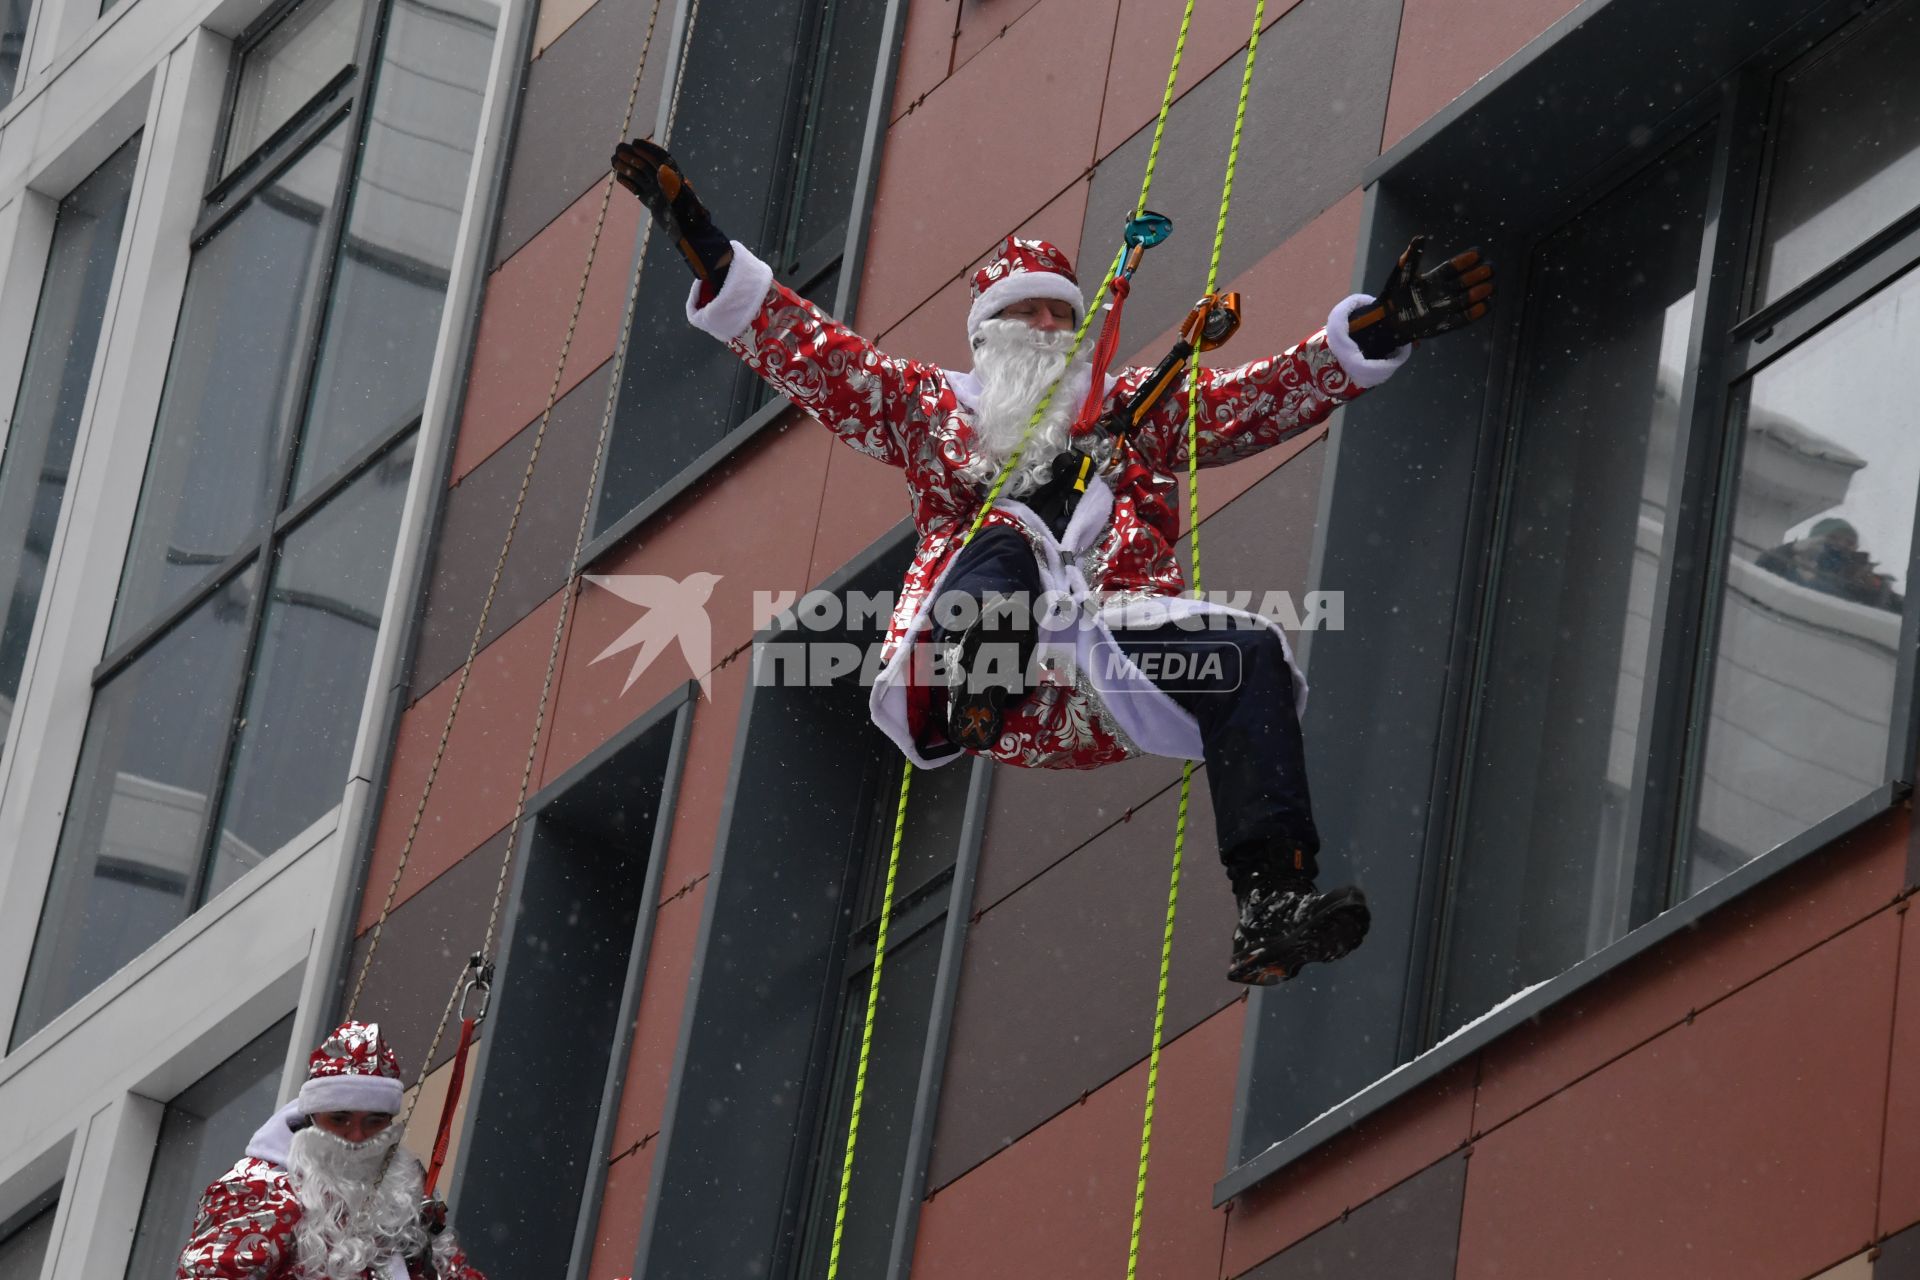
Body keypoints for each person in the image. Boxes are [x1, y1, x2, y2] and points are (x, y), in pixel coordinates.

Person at [611, 138, 1492, 983]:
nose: (1046, 325)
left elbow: (1250, 400)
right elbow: (822, 359)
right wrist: (709, 249)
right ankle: (980, 682)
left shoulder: (1130, 408)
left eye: (1061, 313)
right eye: (1026, 312)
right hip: (986, 660)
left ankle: (1274, 899)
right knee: (1011, 532)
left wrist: (1362, 343)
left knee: (1251, 653)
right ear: (984, 333)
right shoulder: (933, 409)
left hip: (1107, 653)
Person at [176, 1021, 486, 1280]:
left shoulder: (404, 1191)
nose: (356, 1137)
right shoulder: (260, 1189)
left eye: (375, 1122)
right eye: (340, 1119)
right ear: (313, 1117)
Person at [1756, 517, 1902, 611]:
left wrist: (1875, 590)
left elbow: (1905, 612)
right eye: (1833, 538)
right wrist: (1790, 550)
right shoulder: (1791, 566)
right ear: (1814, 541)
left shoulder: (1864, 578)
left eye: (1849, 542)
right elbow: (1760, 571)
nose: (1841, 545)